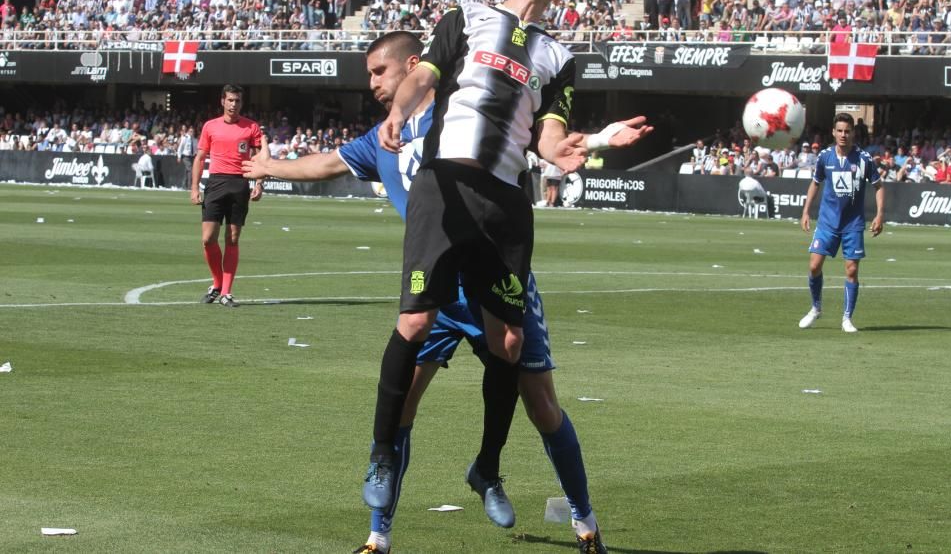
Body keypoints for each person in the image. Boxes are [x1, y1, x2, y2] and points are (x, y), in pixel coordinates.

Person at [243, 32, 650, 554]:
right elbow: (327, 164)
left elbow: (537, 142)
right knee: (402, 405)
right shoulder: (381, 138)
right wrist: (270, 168)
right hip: (434, 290)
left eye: (378, 72)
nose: (372, 85)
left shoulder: (466, 113)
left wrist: (595, 141)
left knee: (541, 403)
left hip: (494, 281)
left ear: (414, 67)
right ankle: (378, 537)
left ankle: (583, 522)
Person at [366, 0, 620, 551]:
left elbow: (549, 135)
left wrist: (571, 148)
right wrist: (399, 112)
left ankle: (488, 467)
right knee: (415, 321)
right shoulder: (466, 16)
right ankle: (380, 460)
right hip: (446, 182)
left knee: (509, 342)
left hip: (505, 200)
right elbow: (422, 75)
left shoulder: (558, 57)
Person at [799, 113, 885, 333]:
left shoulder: (864, 159)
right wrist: (806, 211)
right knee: (814, 265)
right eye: (840, 131)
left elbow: (879, 186)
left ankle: (847, 318)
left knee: (852, 270)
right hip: (827, 222)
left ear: (853, 133)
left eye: (847, 131)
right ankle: (816, 307)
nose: (843, 135)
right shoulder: (825, 157)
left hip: (852, 224)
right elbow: (815, 183)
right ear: (833, 132)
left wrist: (879, 215)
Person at [190, 85, 263, 308]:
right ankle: (217, 283)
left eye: (238, 101)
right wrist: (194, 187)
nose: (234, 104)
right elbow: (200, 158)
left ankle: (226, 292)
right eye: (230, 100)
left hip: (239, 184)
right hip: (215, 183)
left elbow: (261, 158)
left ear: (242, 103)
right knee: (207, 238)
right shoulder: (210, 126)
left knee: (232, 238)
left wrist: (259, 183)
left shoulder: (251, 127)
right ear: (222, 101)